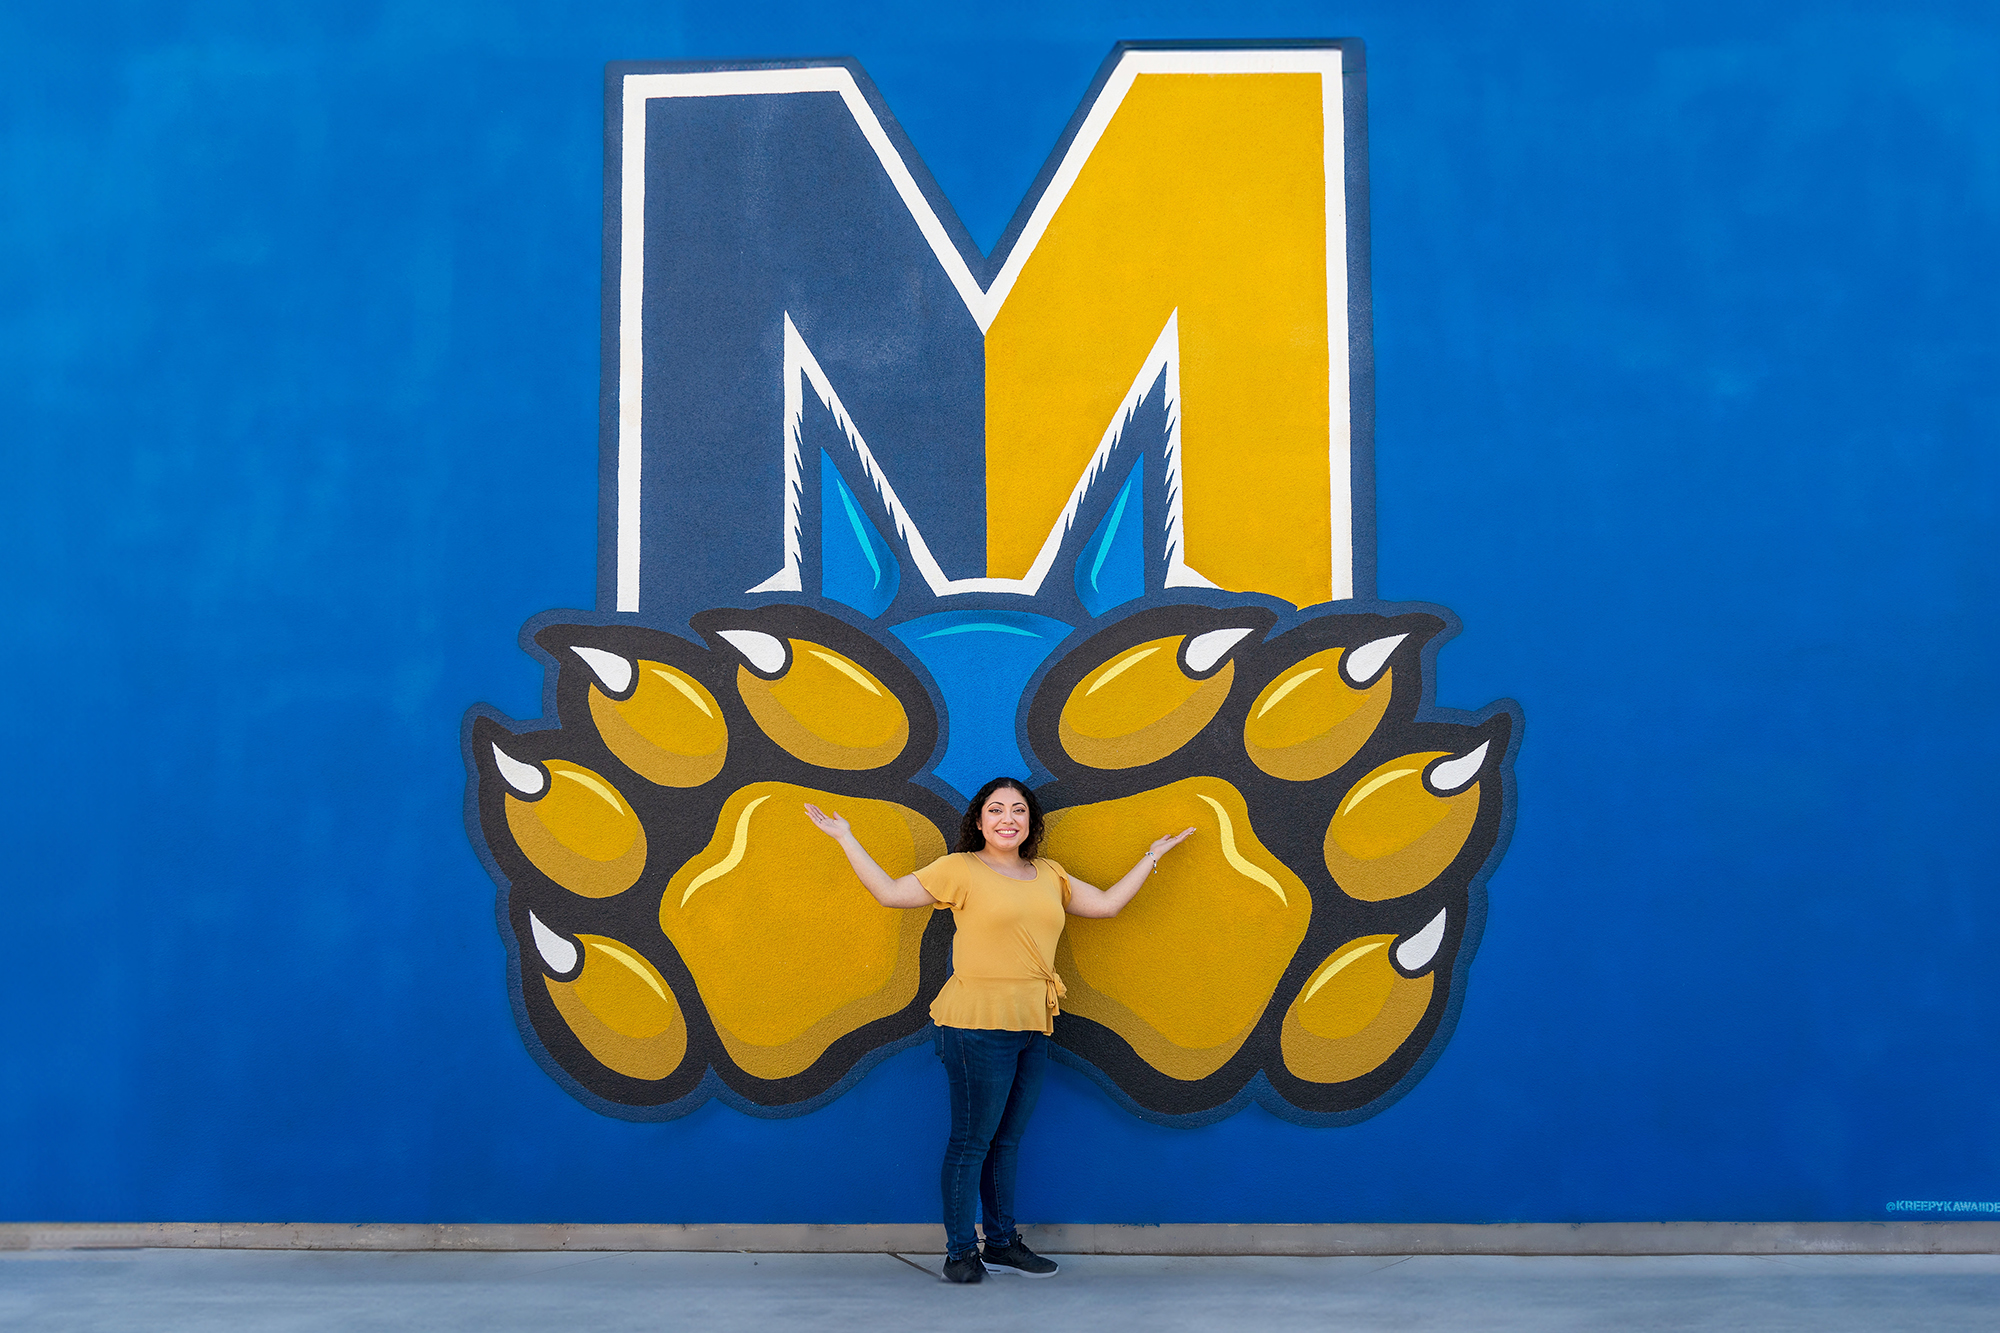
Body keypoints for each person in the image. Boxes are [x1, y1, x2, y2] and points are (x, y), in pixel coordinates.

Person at [805, 778, 1194, 1284]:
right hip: (974, 1026)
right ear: (980, 820)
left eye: (1017, 810)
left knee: (1005, 1141)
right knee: (972, 1142)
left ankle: (1003, 1244)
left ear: (1030, 821)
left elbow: (1106, 905)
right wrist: (846, 837)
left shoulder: (1049, 873)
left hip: (1034, 1021)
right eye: (995, 810)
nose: (1007, 818)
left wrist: (1151, 857)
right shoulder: (959, 868)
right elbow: (889, 894)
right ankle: (961, 1253)